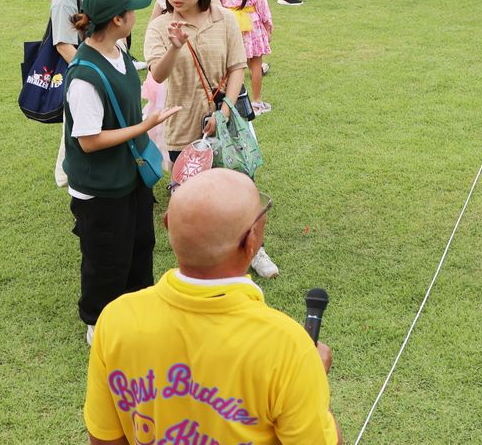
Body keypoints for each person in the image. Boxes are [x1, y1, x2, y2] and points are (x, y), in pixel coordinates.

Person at [83, 169, 342, 445]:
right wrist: (316, 384)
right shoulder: (288, 346)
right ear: (251, 240)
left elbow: (104, 438)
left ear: (168, 224)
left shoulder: (116, 319)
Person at [144, 0, 279, 277]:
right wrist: (176, 46)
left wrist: (223, 111)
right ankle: (200, 259)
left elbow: (236, 69)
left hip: (225, 123)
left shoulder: (224, 19)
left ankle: (254, 250)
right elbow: (157, 75)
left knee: (240, 186)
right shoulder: (160, 27)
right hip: (182, 125)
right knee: (191, 198)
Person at [64, 0, 176, 351]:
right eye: (131, 9)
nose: (136, 13)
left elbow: (154, 77)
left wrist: (174, 48)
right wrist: (144, 127)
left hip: (130, 175)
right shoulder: (84, 76)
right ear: (117, 19)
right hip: (100, 188)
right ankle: (99, 323)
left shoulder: (117, 49)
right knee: (106, 258)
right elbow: (88, 140)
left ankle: (136, 312)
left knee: (140, 244)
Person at [51, 0, 121, 189]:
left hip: (107, 72)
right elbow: (63, 45)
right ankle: (73, 180)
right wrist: (96, 74)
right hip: (85, 78)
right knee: (83, 130)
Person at [214, 0, 273, 115]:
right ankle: (256, 101)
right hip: (251, 26)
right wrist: (268, 26)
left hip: (230, 27)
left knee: (231, 67)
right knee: (255, 65)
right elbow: (263, 7)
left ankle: (229, 101)